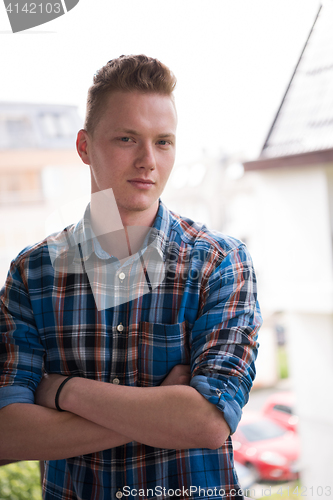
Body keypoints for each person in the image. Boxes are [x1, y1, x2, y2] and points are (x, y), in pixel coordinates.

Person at [0, 55, 262, 500]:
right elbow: (8, 435)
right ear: (84, 147)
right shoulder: (33, 272)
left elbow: (206, 423)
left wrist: (63, 391)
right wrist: (162, 414)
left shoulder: (221, 263)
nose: (148, 160)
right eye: (127, 138)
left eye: (163, 142)